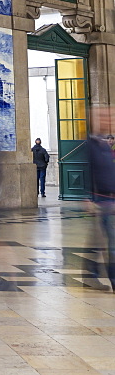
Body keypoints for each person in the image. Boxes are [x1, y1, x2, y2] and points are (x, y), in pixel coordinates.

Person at [85, 107, 115, 292]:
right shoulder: (89, 145)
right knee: (109, 241)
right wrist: (88, 198)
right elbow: (87, 171)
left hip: (109, 199)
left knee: (99, 240)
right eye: (103, 116)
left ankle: (91, 273)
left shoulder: (104, 145)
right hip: (100, 199)